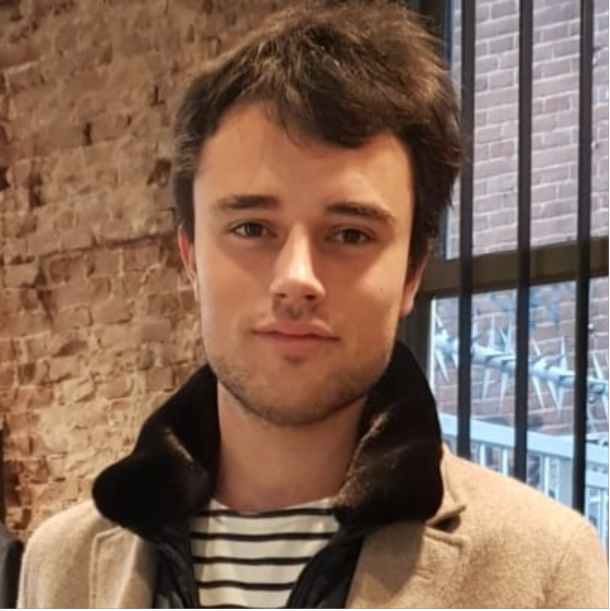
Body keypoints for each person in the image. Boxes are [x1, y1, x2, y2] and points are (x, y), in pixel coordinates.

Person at [17, 1, 609, 608]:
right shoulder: (60, 564)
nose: (296, 279)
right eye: (251, 228)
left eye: (350, 234)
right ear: (191, 258)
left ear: (412, 272)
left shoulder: (542, 569)